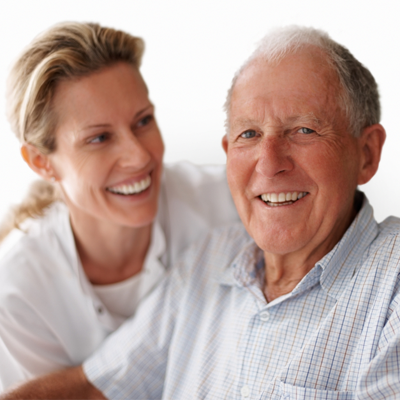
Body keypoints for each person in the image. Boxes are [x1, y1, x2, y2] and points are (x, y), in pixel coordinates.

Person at [3, 25, 399, 400]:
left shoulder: (390, 290)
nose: (268, 163)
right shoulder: (209, 257)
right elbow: (98, 384)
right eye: (249, 134)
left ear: (366, 154)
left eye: (304, 130)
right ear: (228, 153)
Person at [0, 22, 239, 390]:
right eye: (99, 138)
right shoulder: (18, 294)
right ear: (41, 162)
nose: (139, 156)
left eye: (143, 121)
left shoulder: (230, 205)